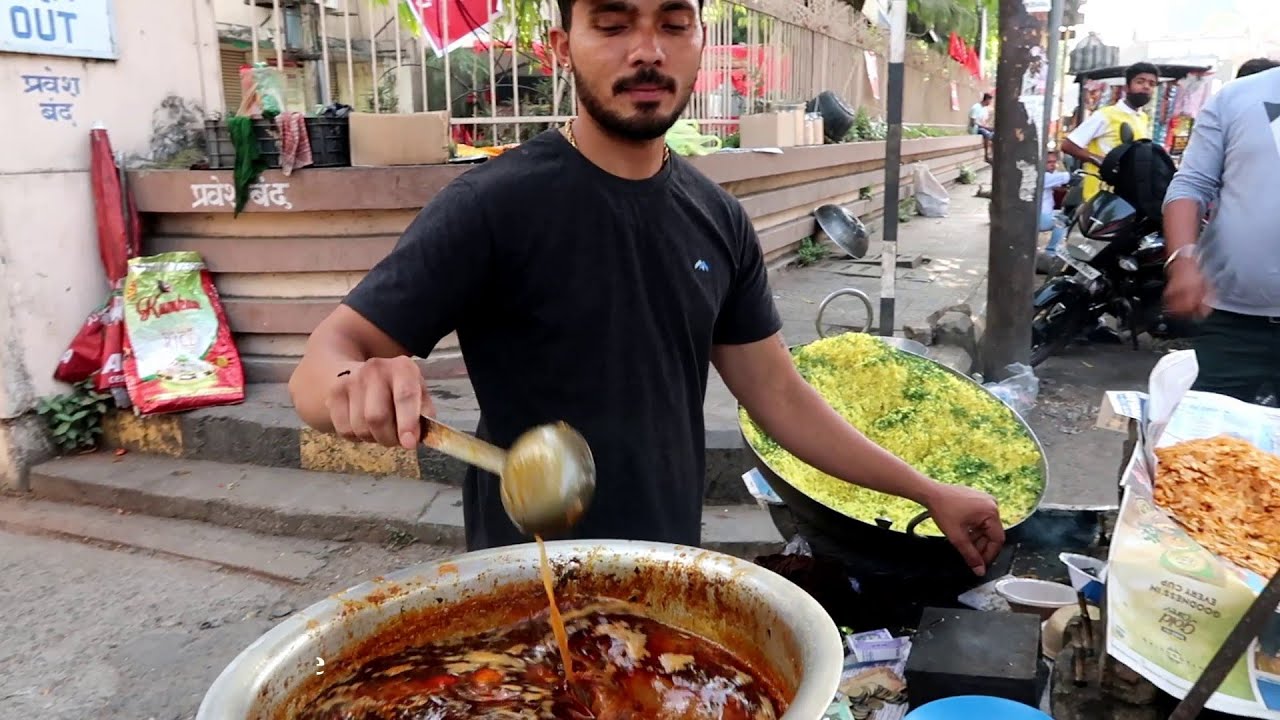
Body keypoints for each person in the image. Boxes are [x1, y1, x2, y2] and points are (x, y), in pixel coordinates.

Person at [289, 0, 1006, 576]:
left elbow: (781, 398)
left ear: (699, 39)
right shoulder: (492, 205)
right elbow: (326, 359)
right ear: (561, 44)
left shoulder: (719, 218)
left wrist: (929, 492)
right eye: (611, 22)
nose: (647, 51)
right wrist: (353, 385)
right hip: (525, 578)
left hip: (671, 569)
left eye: (672, 23)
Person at [1163, 65, 1280, 403]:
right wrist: (1183, 260)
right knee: (1208, 449)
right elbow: (1191, 183)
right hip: (1231, 321)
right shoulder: (1237, 97)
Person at [1062, 62, 1160, 201]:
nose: (1146, 87)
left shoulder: (1142, 117)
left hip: (1125, 193)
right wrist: (1101, 161)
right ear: (1126, 87)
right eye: (1140, 82)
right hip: (1099, 195)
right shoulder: (1105, 115)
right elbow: (1068, 145)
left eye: (1151, 84)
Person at [1040, 151, 1071, 255]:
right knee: (1063, 222)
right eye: (1049, 162)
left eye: (1054, 162)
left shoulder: (1050, 175)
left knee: (1061, 215)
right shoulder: (1042, 176)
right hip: (1040, 218)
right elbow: (1065, 177)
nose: (1053, 165)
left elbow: (1060, 185)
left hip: (1044, 215)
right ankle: (1051, 252)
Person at [969, 92, 994, 162]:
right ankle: (986, 156)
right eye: (990, 100)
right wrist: (985, 128)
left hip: (982, 127)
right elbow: (972, 122)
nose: (990, 102)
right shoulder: (976, 107)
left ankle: (993, 155)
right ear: (986, 100)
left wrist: (989, 127)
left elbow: (984, 122)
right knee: (987, 133)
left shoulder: (985, 109)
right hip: (975, 128)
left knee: (995, 133)